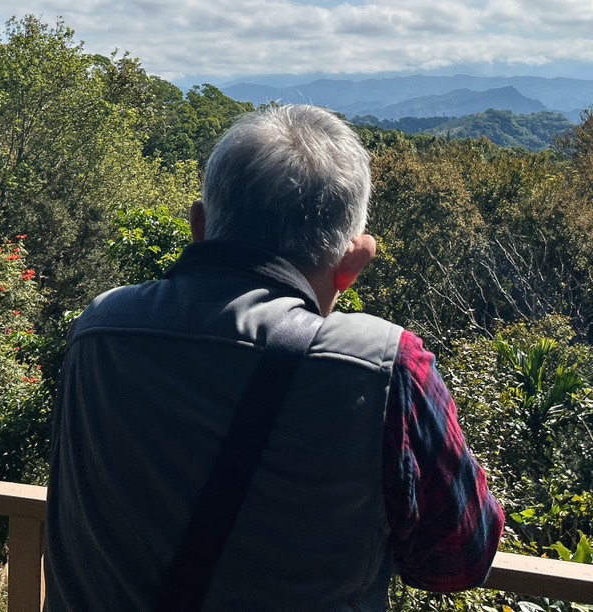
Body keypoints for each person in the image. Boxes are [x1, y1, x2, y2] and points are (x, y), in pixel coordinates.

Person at [45, 104, 503, 610]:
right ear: (354, 261)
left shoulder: (100, 329)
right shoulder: (386, 367)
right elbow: (461, 557)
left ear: (199, 225)